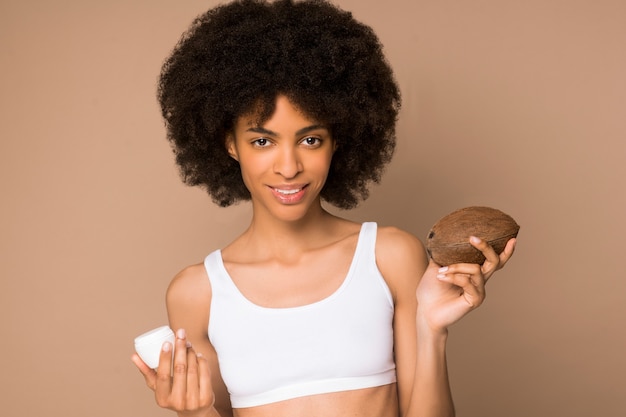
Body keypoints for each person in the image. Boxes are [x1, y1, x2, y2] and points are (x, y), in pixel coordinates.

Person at [131, 1, 516, 416]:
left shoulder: (388, 255)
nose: (289, 167)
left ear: (337, 139)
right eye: (263, 141)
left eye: (310, 139)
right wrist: (196, 413)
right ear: (230, 144)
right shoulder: (197, 294)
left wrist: (432, 330)